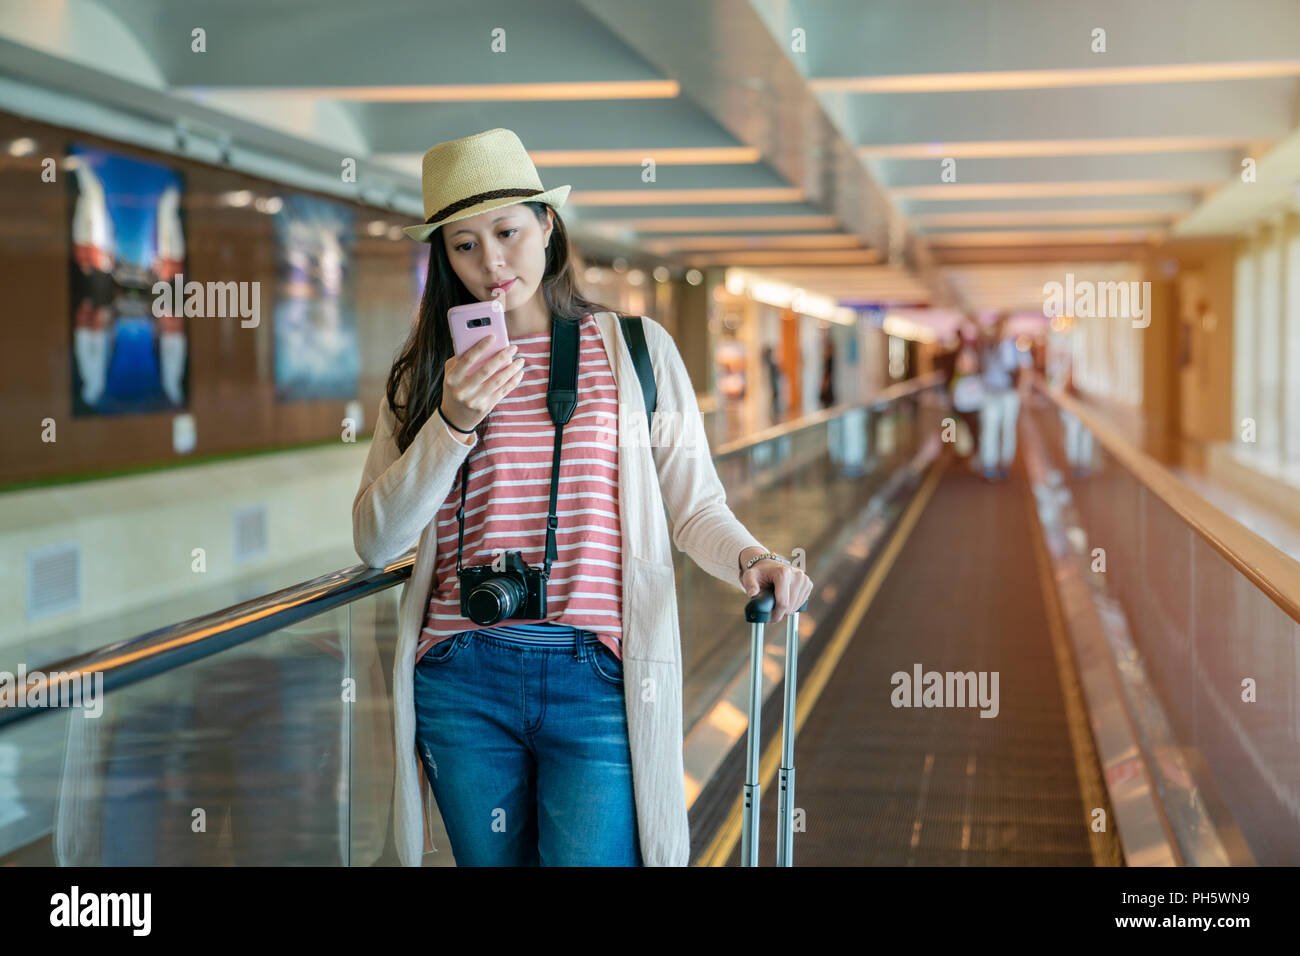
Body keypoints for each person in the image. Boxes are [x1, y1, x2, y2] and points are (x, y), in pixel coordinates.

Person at [351, 128, 813, 867]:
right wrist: (452, 423)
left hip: (595, 674)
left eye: (506, 232)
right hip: (461, 676)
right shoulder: (425, 374)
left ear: (547, 226)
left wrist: (752, 559)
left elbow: (693, 507)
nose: (490, 262)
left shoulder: (634, 350)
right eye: (463, 245)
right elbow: (377, 539)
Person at [978, 315, 1031, 481]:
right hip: (991, 392)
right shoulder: (987, 346)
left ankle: (1005, 463)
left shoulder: (1018, 347)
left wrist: (1022, 391)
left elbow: (1025, 370)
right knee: (989, 428)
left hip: (1009, 393)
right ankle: (990, 464)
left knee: (1007, 429)